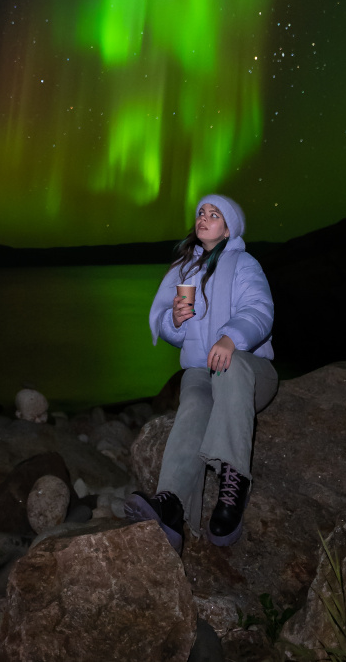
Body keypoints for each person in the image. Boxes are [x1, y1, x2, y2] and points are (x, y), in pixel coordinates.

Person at [124, 194, 277, 551]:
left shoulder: (244, 264)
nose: (203, 219)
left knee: (232, 364)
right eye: (200, 213)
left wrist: (231, 338)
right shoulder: (186, 270)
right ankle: (171, 505)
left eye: (213, 214)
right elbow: (177, 332)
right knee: (193, 404)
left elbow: (260, 310)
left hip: (251, 372)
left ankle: (232, 486)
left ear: (227, 229)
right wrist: (174, 321)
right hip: (201, 370)